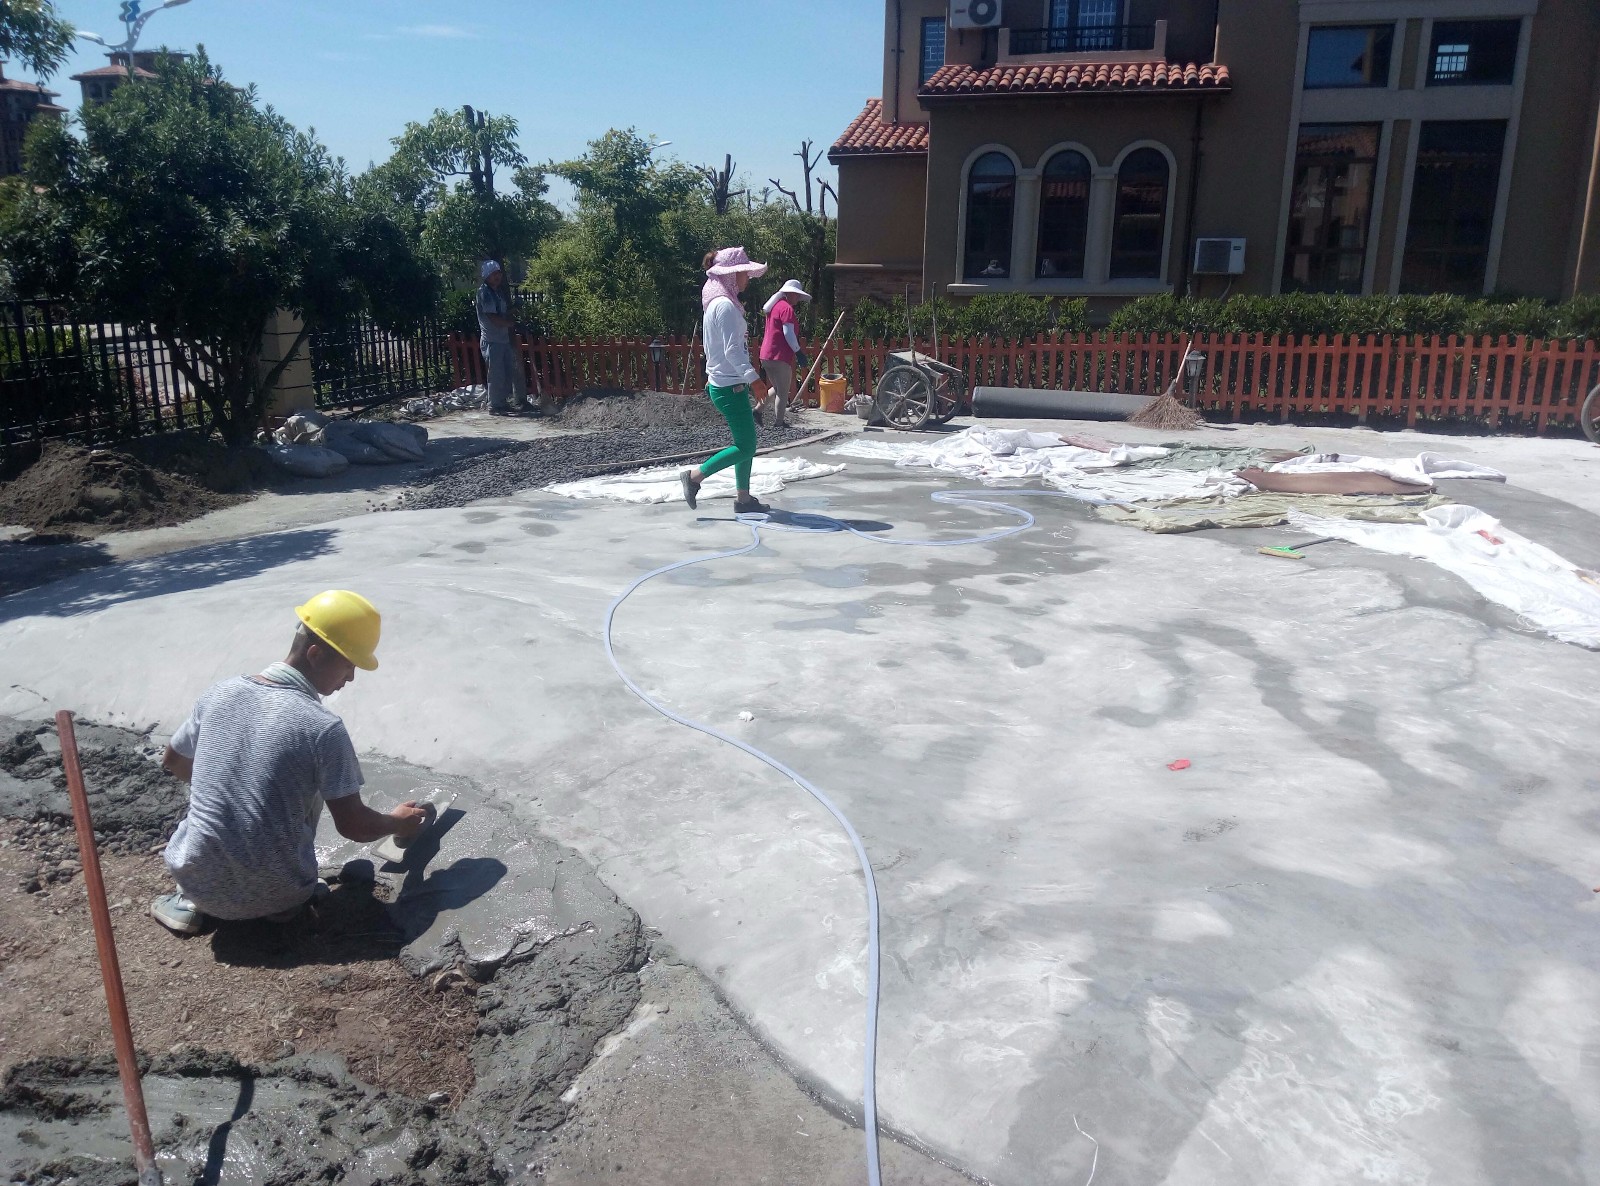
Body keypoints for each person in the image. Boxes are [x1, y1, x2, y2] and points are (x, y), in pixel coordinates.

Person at [149, 591, 430, 936]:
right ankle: (280, 906)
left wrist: (228, 787)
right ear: (315, 654)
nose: (351, 677)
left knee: (210, 792)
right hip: (282, 894)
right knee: (307, 781)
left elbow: (174, 761)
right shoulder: (322, 727)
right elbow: (355, 827)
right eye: (348, 664)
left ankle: (188, 905)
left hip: (197, 882)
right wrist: (398, 823)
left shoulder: (219, 694)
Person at [680, 247, 774, 516]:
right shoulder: (725, 306)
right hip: (729, 386)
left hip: (726, 384)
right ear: (731, 275)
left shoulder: (718, 303)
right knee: (746, 446)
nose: (748, 278)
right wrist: (755, 380)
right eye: (744, 272)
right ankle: (695, 477)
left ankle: (743, 498)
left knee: (745, 442)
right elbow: (733, 351)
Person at [476, 260, 532, 417]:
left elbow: (503, 314)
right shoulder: (485, 293)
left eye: (499, 273)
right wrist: (512, 324)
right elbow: (493, 318)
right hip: (492, 341)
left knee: (506, 373)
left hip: (503, 339)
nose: (497, 276)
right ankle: (494, 405)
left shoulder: (497, 292)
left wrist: (515, 310)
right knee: (496, 375)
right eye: (494, 274)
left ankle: (502, 402)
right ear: (487, 276)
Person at [759, 280, 811, 429]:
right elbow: (788, 333)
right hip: (779, 355)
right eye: (796, 295)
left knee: (777, 387)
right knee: (782, 391)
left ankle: (757, 411)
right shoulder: (786, 309)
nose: (798, 299)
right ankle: (779, 423)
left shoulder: (774, 307)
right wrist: (798, 351)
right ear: (790, 294)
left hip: (766, 355)